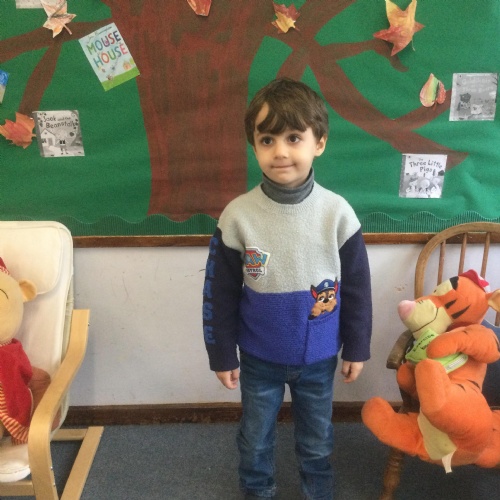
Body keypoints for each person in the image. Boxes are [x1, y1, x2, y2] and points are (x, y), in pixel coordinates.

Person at [202, 77, 372, 499]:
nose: (280, 151)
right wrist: (221, 352)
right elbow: (218, 294)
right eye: (267, 139)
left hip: (319, 357)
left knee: (317, 440)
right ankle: (257, 492)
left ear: (319, 143)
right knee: (255, 439)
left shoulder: (338, 213)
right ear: (254, 146)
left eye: (294, 137)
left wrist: (357, 346)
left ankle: (319, 493)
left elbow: (357, 288)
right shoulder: (237, 216)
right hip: (258, 357)